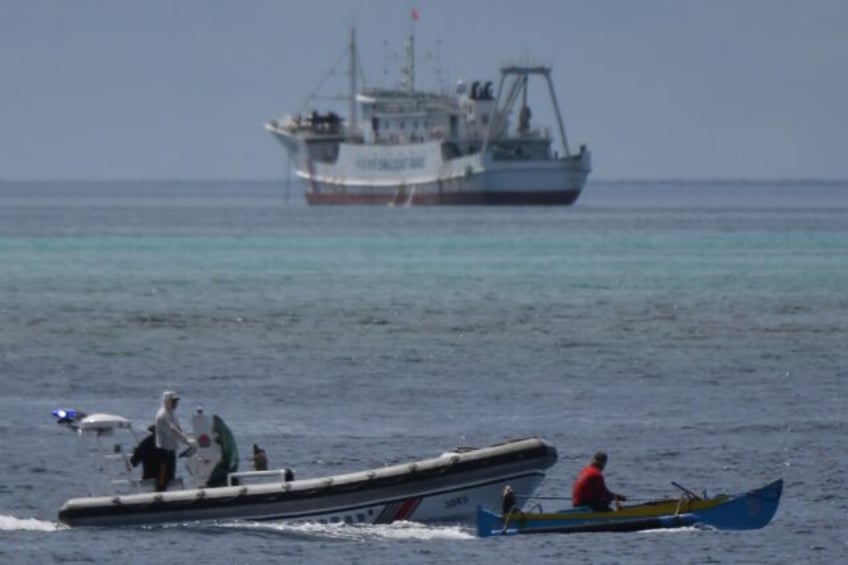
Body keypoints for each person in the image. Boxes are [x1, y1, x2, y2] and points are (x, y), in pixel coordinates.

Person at [154, 390, 195, 491]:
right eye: (173, 401)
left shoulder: (171, 414)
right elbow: (173, 430)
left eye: (176, 401)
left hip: (171, 451)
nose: (176, 403)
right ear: (167, 401)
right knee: (162, 480)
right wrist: (186, 441)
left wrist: (191, 439)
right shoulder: (162, 415)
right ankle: (159, 496)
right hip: (163, 452)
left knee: (170, 477)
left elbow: (179, 429)